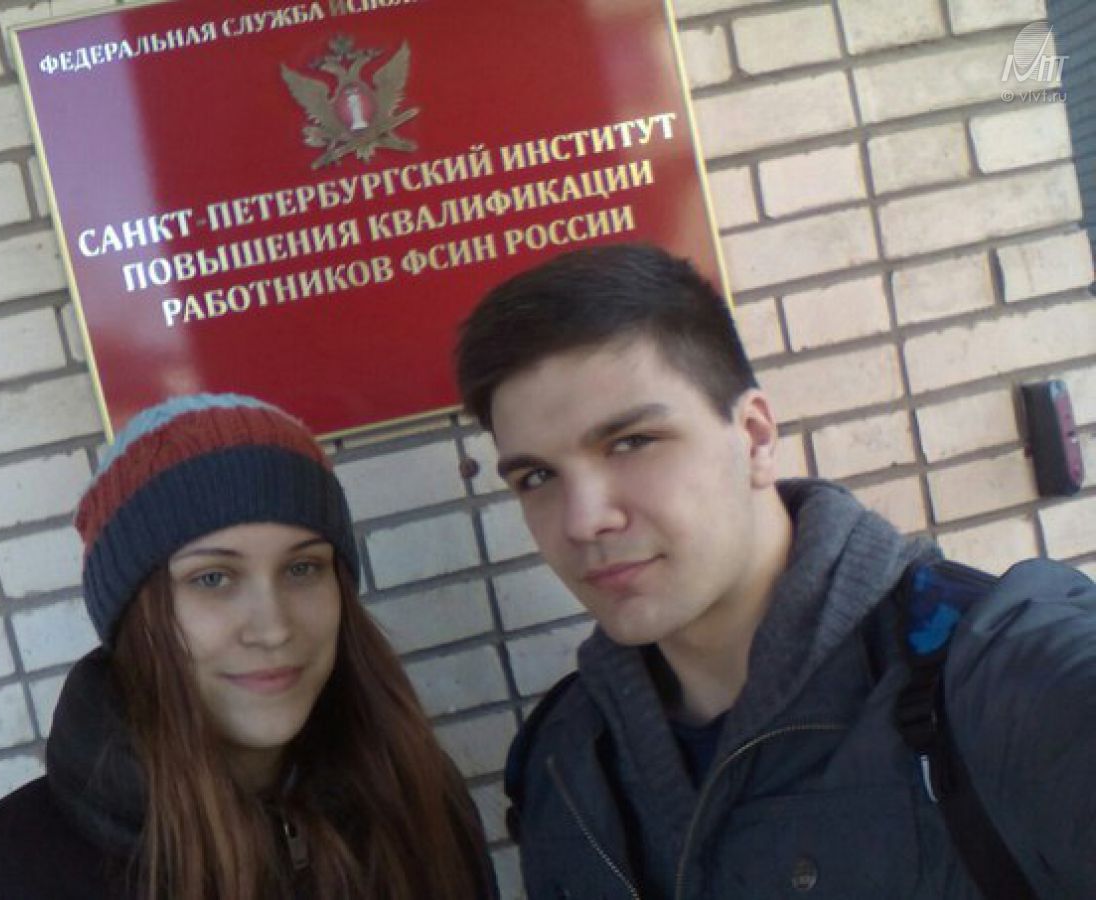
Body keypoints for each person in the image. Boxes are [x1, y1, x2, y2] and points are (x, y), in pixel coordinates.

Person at [454, 242, 1096, 899]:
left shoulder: (1004, 678)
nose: (583, 520)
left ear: (756, 437)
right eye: (537, 477)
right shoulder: (562, 766)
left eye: (631, 442)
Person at [0, 394, 494, 900]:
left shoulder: (420, 807)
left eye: (303, 568)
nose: (272, 628)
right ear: (136, 618)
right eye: (212, 578)